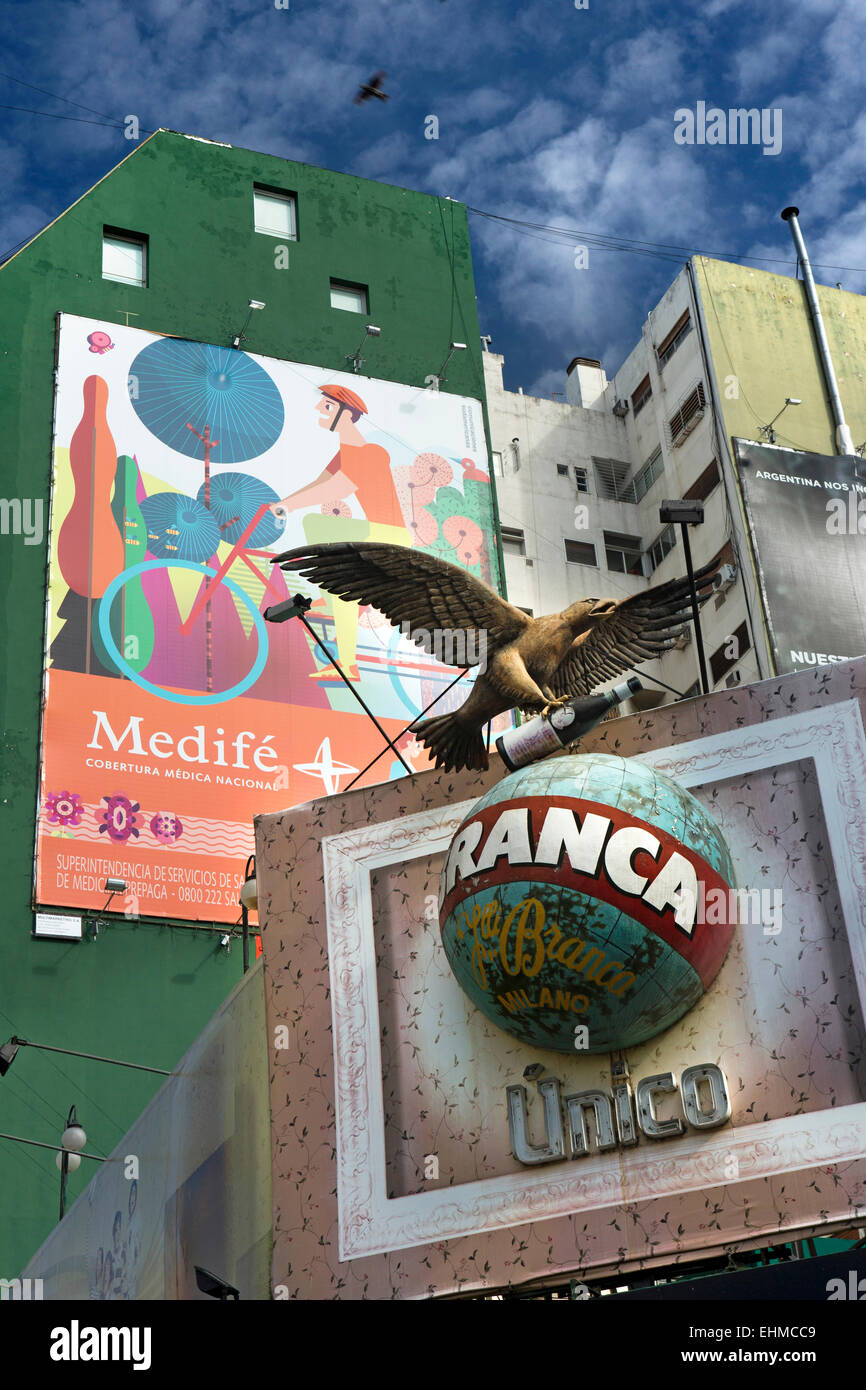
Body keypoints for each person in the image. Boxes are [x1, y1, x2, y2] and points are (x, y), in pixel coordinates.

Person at [269, 384, 411, 680]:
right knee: (320, 535)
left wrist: (289, 506)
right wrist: (281, 503)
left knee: (328, 551)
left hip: (389, 536)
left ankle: (347, 663)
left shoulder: (369, 453)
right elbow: (318, 484)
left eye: (327, 407)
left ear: (346, 415)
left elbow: (338, 488)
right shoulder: (344, 454)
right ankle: (343, 648)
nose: (319, 410)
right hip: (374, 533)